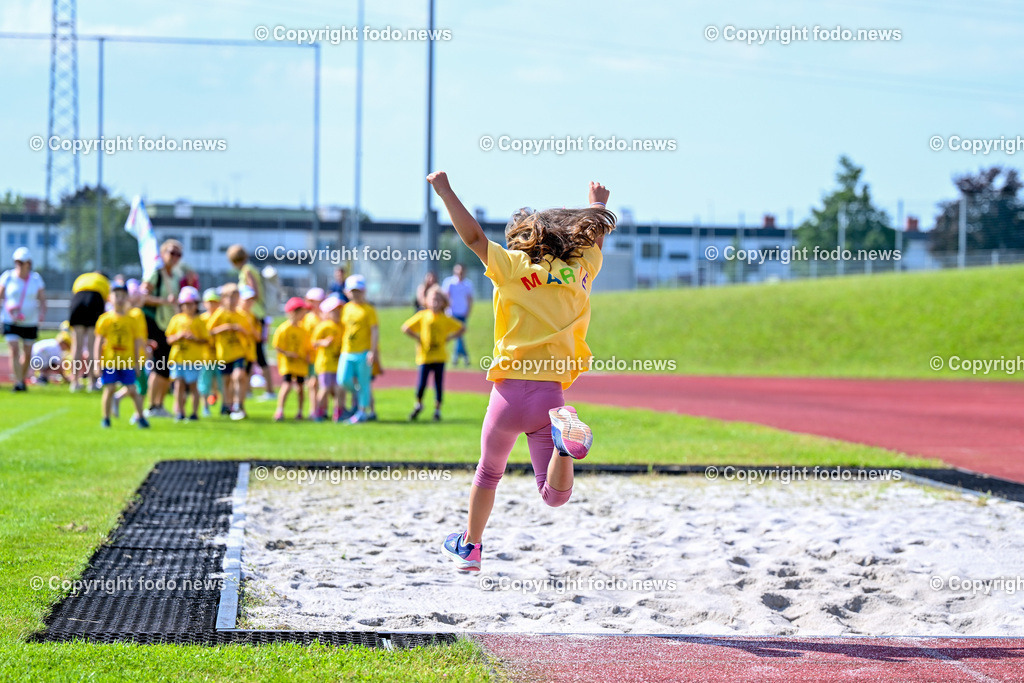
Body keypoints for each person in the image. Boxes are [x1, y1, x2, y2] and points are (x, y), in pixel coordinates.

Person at [427, 172, 615, 572]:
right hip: (550, 399)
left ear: (523, 240)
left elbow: (475, 239)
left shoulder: (512, 267)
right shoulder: (581, 269)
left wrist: (445, 192)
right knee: (553, 495)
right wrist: (597, 204)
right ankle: (565, 447)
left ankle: (471, 546)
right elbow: (595, 238)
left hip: (508, 395)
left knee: (489, 472)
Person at [402, 286, 464, 421]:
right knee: (421, 384)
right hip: (425, 356)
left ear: (443, 302)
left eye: (438, 299)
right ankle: (418, 404)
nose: (435, 302)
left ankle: (437, 410)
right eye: (432, 299)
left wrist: (450, 337)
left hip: (440, 356)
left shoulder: (445, 318)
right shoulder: (423, 315)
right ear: (427, 301)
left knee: (438, 384)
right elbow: (405, 327)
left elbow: (461, 328)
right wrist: (417, 337)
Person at [94, 283, 149, 429]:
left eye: (123, 296)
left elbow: (137, 343)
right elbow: (98, 342)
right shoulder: (105, 319)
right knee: (110, 388)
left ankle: (140, 417)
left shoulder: (132, 320)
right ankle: (106, 419)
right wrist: (97, 362)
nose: (120, 299)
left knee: (132, 389)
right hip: (110, 362)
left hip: (127, 362)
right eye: (116, 295)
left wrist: (137, 362)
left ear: (128, 298)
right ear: (109, 298)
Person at [140, 239, 185, 416]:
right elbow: (144, 296)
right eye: (171, 252)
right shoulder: (156, 274)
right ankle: (151, 405)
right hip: (155, 324)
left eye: (178, 254)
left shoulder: (174, 277)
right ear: (163, 253)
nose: (175, 257)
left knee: (166, 367)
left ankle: (159, 404)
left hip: (169, 325)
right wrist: (165, 301)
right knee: (158, 366)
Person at [228, 245, 275, 398]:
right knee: (249, 352)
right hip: (254, 313)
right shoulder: (248, 268)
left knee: (257, 353)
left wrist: (245, 303)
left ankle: (268, 390)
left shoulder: (247, 270)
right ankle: (246, 389)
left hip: (254, 314)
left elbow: (254, 290)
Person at [1, 247, 46, 392]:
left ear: (29, 263)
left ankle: (22, 378)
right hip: (10, 320)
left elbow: (42, 299)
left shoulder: (36, 279)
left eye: (22, 262)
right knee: (14, 350)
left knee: (27, 353)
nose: (19, 265)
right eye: (17, 262)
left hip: (30, 321)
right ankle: (18, 382)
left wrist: (41, 315)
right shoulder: (7, 277)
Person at [337, 275, 379, 424]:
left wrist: (372, 351)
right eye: (353, 291)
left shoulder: (369, 310)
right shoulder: (346, 308)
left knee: (364, 382)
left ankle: (362, 411)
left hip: (363, 352)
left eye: (359, 291)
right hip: (347, 351)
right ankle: (360, 397)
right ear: (347, 292)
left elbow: (374, 331)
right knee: (342, 379)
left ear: (364, 291)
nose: (356, 294)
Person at [165, 286, 209, 422]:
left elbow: (206, 339)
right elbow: (169, 339)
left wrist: (194, 338)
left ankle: (194, 412)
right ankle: (180, 411)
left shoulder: (199, 321)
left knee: (193, 386)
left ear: (196, 305)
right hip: (178, 359)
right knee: (178, 386)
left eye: (191, 304)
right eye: (186, 304)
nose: (189, 307)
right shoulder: (176, 320)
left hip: (193, 360)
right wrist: (178, 336)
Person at [208, 283, 249, 420]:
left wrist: (240, 330)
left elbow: (248, 332)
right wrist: (225, 328)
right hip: (224, 353)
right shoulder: (219, 314)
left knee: (238, 376)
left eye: (235, 297)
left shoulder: (241, 315)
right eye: (229, 297)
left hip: (239, 352)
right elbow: (209, 331)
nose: (232, 300)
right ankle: (227, 405)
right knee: (225, 381)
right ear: (224, 298)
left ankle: (238, 404)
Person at [68, 270, 110, 391]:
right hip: (95, 300)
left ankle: (74, 382)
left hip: (78, 300)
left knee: (77, 345)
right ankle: (92, 383)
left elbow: (74, 292)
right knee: (91, 346)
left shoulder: (82, 277)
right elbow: (107, 301)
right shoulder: (104, 282)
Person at [272, 297, 312, 421]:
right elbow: (277, 346)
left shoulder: (303, 330)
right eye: (302, 312)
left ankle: (300, 412)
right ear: (294, 312)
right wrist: (288, 354)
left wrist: (306, 356)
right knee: (287, 386)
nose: (304, 314)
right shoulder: (284, 329)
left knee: (300, 388)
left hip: (300, 364)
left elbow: (307, 347)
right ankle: (280, 410)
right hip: (288, 364)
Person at [311, 296, 345, 422]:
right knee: (324, 388)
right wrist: (323, 342)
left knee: (338, 389)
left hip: (337, 363)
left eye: (339, 311)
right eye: (334, 311)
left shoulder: (342, 326)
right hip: (325, 363)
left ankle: (338, 411)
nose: (337, 314)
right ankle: (318, 411)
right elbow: (313, 342)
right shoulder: (324, 326)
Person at [441, 263, 474, 366]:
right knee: (459, 335)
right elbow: (445, 296)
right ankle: (463, 357)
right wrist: (446, 309)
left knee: (459, 335)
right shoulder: (449, 282)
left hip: (462, 312)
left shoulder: (468, 284)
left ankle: (458, 357)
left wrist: (468, 311)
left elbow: (470, 299)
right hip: (452, 313)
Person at [197, 288, 222, 416]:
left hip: (221, 356)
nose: (212, 305)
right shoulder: (201, 319)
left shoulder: (221, 318)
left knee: (221, 383)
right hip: (206, 357)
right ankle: (205, 407)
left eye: (215, 302)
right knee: (204, 383)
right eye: (209, 302)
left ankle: (225, 406)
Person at [302, 287, 326, 415]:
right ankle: (314, 409)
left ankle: (322, 409)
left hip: (323, 356)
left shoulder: (325, 318)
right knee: (312, 383)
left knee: (325, 385)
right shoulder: (307, 318)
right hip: (311, 356)